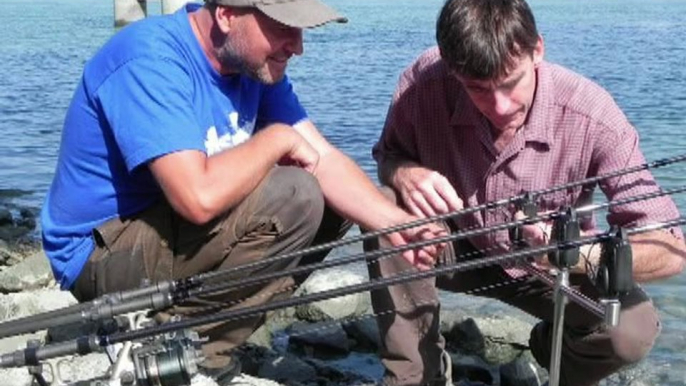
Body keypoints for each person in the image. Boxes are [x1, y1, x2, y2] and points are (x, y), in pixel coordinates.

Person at [40, 0, 444, 383]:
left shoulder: (253, 66)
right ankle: (172, 343)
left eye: (301, 30)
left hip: (170, 234)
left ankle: (197, 349)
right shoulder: (150, 59)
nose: (298, 47)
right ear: (228, 16)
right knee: (298, 194)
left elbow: (322, 157)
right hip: (101, 253)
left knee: (337, 203)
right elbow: (196, 199)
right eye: (284, 28)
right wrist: (276, 140)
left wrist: (399, 225)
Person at [367, 0, 686, 385]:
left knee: (631, 331)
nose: (499, 106)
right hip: (454, 246)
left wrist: (577, 253)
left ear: (538, 49)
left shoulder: (595, 116)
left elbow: (671, 248)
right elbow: (387, 155)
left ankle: (553, 352)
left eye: (510, 83)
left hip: (553, 267)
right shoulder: (422, 84)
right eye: (478, 89)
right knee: (383, 206)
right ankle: (417, 376)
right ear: (453, 70)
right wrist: (404, 173)